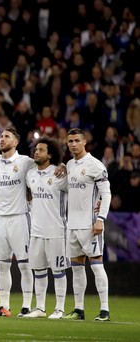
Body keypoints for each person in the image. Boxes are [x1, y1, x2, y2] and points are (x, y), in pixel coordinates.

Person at [63, 128, 111, 321]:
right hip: (72, 225)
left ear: (84, 142)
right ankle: (79, 310)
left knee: (97, 266)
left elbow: (106, 194)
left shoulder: (95, 165)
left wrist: (101, 219)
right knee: (76, 268)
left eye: (76, 141)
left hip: (90, 224)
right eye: (70, 141)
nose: (73, 144)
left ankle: (105, 310)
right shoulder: (69, 164)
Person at [0, 128, 35, 317]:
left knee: (24, 264)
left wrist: (62, 165)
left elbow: (46, 164)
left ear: (15, 142)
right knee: (2, 265)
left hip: (19, 217)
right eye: (1, 136)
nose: (2, 139)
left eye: (7, 136)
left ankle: (26, 306)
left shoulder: (25, 162)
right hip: (1, 219)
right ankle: (4, 306)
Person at [23, 137, 69, 319]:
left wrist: (64, 165)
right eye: (36, 149)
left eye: (41, 150)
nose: (37, 152)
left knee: (58, 270)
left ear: (50, 154)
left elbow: (79, 185)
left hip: (56, 230)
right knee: (39, 270)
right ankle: (40, 308)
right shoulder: (30, 175)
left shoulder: (59, 174)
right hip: (36, 230)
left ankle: (59, 308)